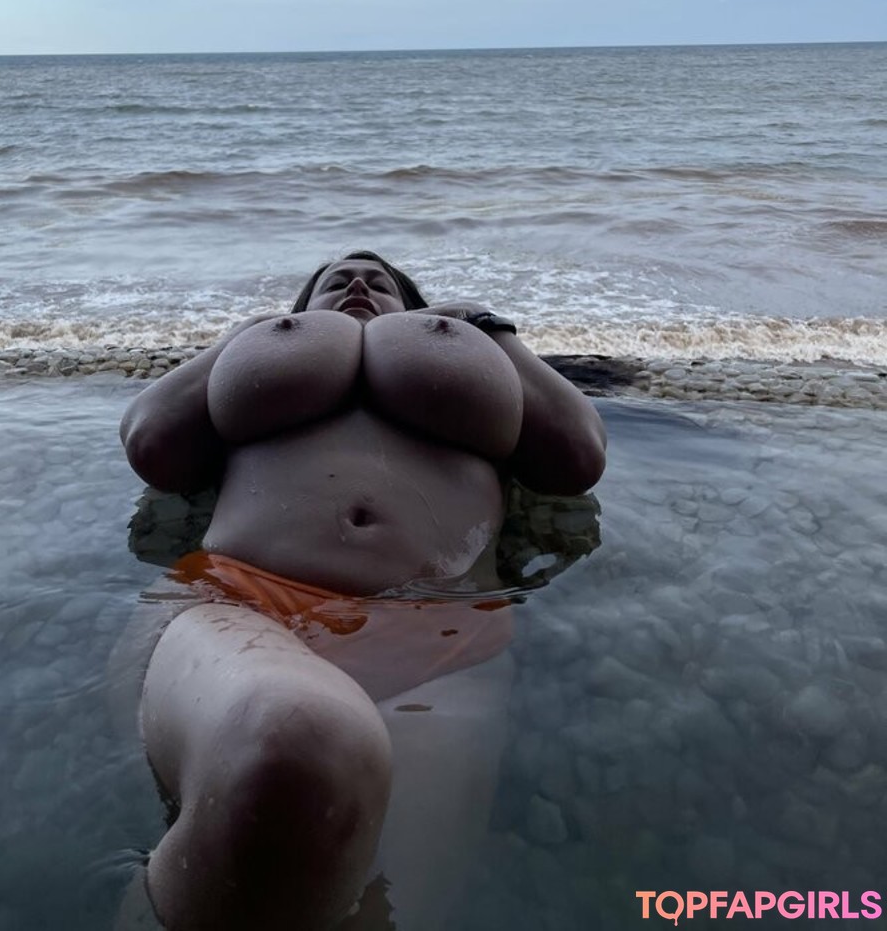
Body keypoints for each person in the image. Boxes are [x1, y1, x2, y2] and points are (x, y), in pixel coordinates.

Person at [119, 251, 606, 931]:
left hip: (444, 634)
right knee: (298, 744)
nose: (356, 282)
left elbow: (578, 455)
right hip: (241, 601)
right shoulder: (264, 349)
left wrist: (486, 330)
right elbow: (152, 443)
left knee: (388, 912)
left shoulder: (474, 342)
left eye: (381, 282)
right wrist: (245, 337)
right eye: (333, 281)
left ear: (413, 308)